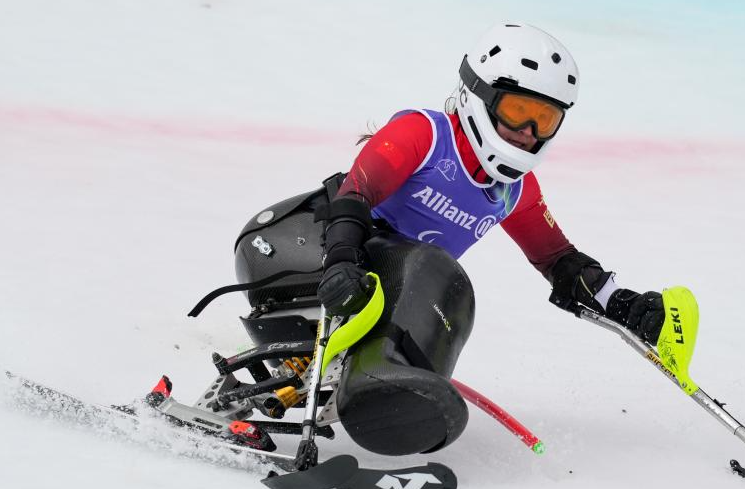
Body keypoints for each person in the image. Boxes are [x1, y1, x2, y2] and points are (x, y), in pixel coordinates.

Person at [234, 23, 665, 457]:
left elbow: (559, 260)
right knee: (434, 269)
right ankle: (379, 379)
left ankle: (398, 390)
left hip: (381, 287)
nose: (529, 131)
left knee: (445, 285)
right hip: (294, 248)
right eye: (518, 110)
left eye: (545, 119)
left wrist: (623, 305)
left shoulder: (516, 190)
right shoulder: (426, 134)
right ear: (479, 96)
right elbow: (355, 195)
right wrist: (342, 260)